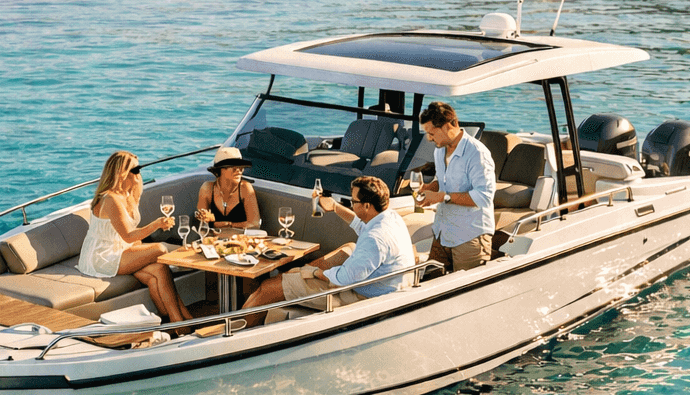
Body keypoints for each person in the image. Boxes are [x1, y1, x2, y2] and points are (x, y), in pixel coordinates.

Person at [240, 175, 414, 326]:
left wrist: (315, 273)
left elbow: (343, 278)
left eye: (353, 202)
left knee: (268, 288)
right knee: (349, 248)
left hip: (364, 296)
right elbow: (361, 226)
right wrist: (335, 206)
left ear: (367, 206)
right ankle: (294, 276)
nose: (351, 204)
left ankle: (239, 337)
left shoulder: (375, 238)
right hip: (382, 284)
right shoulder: (390, 217)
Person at [78, 151, 190, 326]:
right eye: (136, 170)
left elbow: (130, 231)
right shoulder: (110, 199)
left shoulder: (128, 194)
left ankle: (176, 321)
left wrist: (137, 188)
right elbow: (129, 236)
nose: (139, 173)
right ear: (122, 173)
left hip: (122, 249)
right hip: (103, 256)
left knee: (159, 271)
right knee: (160, 249)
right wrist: (156, 224)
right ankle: (183, 321)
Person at [414, 101, 494, 273]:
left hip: (469, 238)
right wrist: (431, 187)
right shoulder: (439, 150)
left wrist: (442, 197)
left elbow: (484, 197)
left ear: (451, 125)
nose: (429, 138)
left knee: (467, 289)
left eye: (432, 133)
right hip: (442, 232)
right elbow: (443, 180)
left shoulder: (477, 153)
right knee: (429, 282)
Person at [195, 146, 261, 231]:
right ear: (220, 169)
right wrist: (208, 221)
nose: (239, 170)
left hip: (240, 238)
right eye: (234, 166)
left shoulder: (245, 188)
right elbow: (202, 223)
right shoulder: (207, 188)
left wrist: (226, 224)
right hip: (213, 238)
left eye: (241, 166)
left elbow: (254, 224)